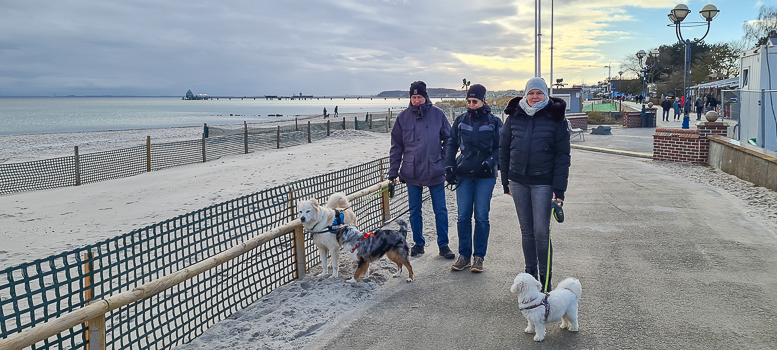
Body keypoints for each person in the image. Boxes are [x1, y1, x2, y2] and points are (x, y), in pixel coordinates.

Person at [499, 77, 570, 291]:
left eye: (539, 93)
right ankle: (529, 275)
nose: (535, 97)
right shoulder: (513, 117)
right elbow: (503, 149)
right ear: (525, 95)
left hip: (543, 183)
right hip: (518, 181)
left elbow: (562, 156)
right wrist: (505, 181)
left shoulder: (556, 118)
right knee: (526, 231)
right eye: (531, 93)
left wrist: (559, 191)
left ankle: (545, 277)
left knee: (541, 231)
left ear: (545, 95)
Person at [388, 81, 455, 259]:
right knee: (414, 210)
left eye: (419, 97)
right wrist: (393, 173)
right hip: (411, 172)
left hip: (435, 170)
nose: (417, 100)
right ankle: (419, 243)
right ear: (410, 98)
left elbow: (449, 139)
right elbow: (396, 147)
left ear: (425, 97)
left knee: (440, 209)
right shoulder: (402, 118)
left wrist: (443, 160)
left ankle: (444, 245)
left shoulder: (438, 114)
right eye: (413, 97)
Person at [444, 84, 503, 273]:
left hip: (485, 175)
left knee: (481, 216)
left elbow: (500, 147)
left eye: (475, 101)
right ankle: (464, 256)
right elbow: (451, 143)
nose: (471, 104)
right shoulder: (461, 120)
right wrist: (449, 167)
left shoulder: (493, 121)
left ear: (483, 100)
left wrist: (489, 162)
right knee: (463, 216)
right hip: (464, 173)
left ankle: (479, 257)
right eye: (469, 101)